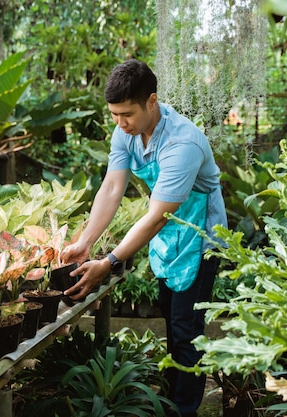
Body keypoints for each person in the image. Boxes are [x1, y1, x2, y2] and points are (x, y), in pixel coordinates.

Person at [61, 58, 228, 417]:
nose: (120, 124)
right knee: (172, 319)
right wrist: (86, 242)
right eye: (114, 115)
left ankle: (184, 409)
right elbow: (112, 187)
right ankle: (171, 400)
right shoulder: (126, 131)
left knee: (187, 331)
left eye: (127, 114)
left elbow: (154, 217)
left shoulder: (183, 143)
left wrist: (109, 263)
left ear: (151, 101)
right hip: (172, 236)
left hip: (200, 241)